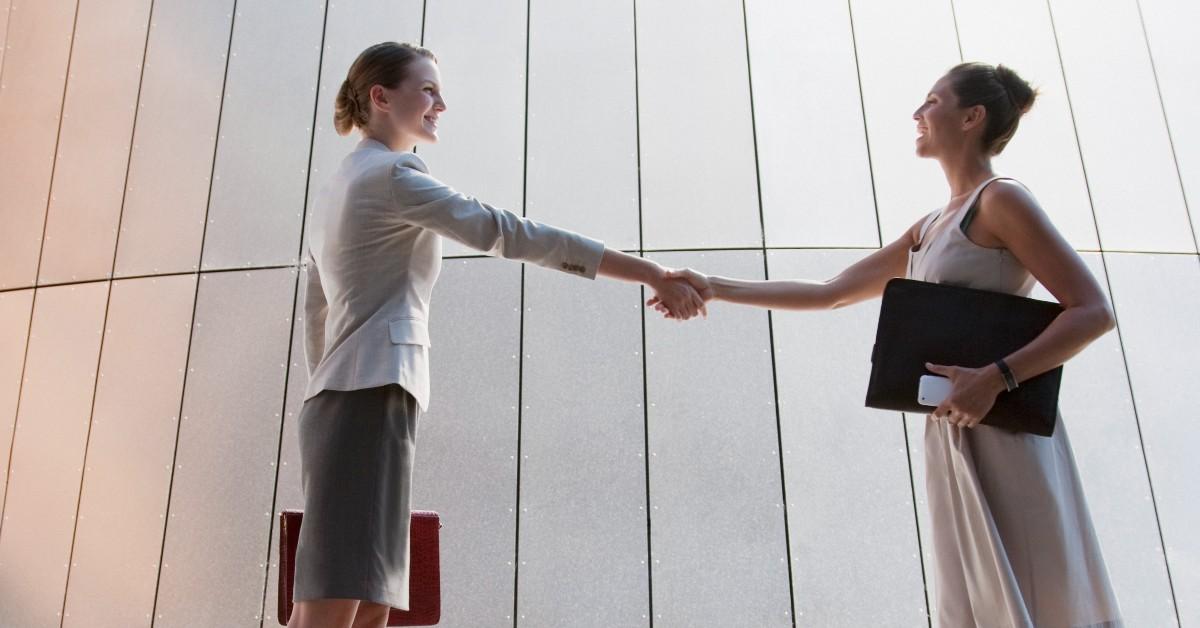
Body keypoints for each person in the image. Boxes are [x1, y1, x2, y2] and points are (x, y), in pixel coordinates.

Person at [658, 62, 1124, 627]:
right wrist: (717, 287)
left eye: (932, 101)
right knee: (977, 601)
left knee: (1033, 589)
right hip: (952, 428)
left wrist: (994, 377)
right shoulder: (929, 227)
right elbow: (830, 293)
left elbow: (1093, 311)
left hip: (1003, 426)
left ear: (971, 117)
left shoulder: (1001, 201)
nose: (918, 113)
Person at [288, 42, 704, 628]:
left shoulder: (341, 183)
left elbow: (317, 314)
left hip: (349, 396)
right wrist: (648, 272)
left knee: (368, 595)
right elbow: (507, 231)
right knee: (337, 599)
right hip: (367, 394)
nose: (442, 103)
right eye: (428, 89)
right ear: (381, 97)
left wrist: (329, 395)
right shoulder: (393, 175)